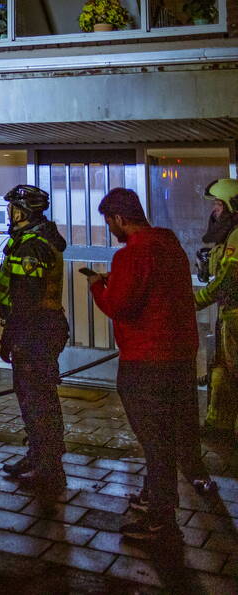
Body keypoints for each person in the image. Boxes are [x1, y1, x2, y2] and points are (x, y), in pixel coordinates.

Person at [87, 188, 214, 543]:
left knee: (154, 438)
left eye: (109, 221)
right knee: (170, 430)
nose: (111, 228)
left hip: (146, 359)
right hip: (179, 355)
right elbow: (155, 290)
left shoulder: (130, 255)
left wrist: (98, 287)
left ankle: (161, 517)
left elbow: (120, 306)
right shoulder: (169, 245)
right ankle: (150, 495)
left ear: (119, 218)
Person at [0, 185, 69, 499]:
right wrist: (2, 270)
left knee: (37, 401)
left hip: (34, 331)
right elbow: (24, 279)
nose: (9, 213)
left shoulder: (32, 245)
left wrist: (10, 337)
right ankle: (39, 456)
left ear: (22, 211)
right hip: (41, 329)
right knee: (35, 398)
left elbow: (28, 299)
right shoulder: (33, 241)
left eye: (12, 207)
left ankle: (47, 467)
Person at [195, 178, 238, 441]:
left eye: (218, 205)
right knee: (221, 368)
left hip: (235, 315)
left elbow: (228, 281)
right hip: (228, 315)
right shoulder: (229, 236)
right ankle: (218, 425)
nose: (214, 211)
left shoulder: (237, 235)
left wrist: (193, 302)